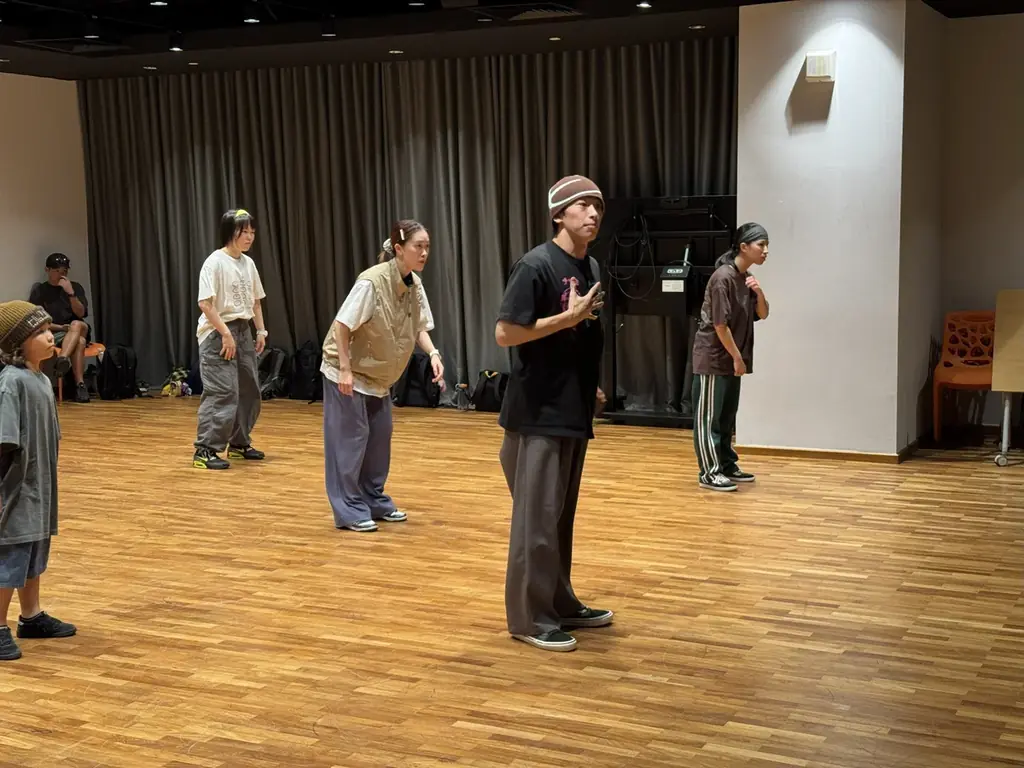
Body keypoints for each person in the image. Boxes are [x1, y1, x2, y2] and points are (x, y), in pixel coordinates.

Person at [494, 174, 613, 653]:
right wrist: (567, 318)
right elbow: (506, 332)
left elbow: (582, 335)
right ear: (559, 214)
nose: (593, 213)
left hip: (572, 409)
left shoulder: (590, 265)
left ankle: (559, 602)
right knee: (536, 524)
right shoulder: (535, 265)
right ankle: (529, 618)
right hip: (537, 414)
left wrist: (591, 384)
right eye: (582, 205)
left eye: (597, 206)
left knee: (559, 520)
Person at [320, 220, 444, 533]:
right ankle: (348, 509)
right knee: (350, 441)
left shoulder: (414, 284)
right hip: (347, 371)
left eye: (427, 246)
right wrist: (344, 369)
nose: (424, 252)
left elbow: (419, 326)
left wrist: (433, 353)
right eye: (418, 246)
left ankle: (373, 499)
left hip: (379, 377)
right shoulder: (371, 282)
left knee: (378, 440)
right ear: (399, 249)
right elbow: (342, 325)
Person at [0, 300, 78, 661]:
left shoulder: (42, 379)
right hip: (15, 489)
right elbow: (4, 441)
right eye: (40, 332)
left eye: (49, 330)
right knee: (10, 558)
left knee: (33, 553)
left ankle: (30, 617)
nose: (50, 337)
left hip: (40, 485)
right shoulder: (11, 382)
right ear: (18, 344)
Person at [690, 222, 770, 492]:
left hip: (732, 357)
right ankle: (709, 472)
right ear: (744, 247)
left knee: (726, 417)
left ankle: (726, 464)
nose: (766, 251)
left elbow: (763, 313)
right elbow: (719, 325)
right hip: (714, 358)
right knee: (709, 419)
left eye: (767, 245)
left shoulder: (745, 277)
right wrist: (737, 357)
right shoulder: (722, 277)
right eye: (761, 244)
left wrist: (759, 292)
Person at [192, 209, 269, 470]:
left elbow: (256, 301)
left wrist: (260, 331)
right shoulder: (214, 262)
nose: (249, 237)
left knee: (249, 389)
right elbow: (205, 303)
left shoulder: (248, 263)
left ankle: (239, 443)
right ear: (230, 232)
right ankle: (205, 450)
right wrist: (225, 333)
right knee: (223, 391)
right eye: (243, 232)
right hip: (217, 331)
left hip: (243, 329)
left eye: (252, 232)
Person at [28, 253, 91, 403]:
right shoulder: (40, 290)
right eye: (57, 271)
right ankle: (80, 385)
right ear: (47, 270)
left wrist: (71, 293)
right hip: (56, 331)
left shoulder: (75, 287)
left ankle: (62, 359)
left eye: (64, 271)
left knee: (76, 325)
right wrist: (62, 328)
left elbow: (81, 313)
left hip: (79, 327)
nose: (61, 275)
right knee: (80, 342)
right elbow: (38, 321)